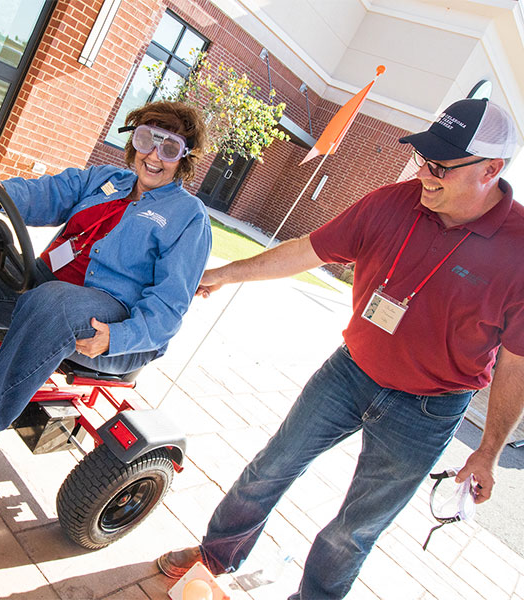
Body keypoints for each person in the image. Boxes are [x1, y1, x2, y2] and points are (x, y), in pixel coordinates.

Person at [157, 98, 524, 598]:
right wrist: (223, 274)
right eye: (422, 158)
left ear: (491, 170)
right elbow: (307, 250)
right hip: (349, 371)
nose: (424, 175)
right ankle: (216, 553)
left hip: (429, 409)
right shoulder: (392, 202)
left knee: (356, 529)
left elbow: (516, 362)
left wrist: (487, 452)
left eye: (439, 166)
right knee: (271, 467)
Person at [0, 100, 212, 480]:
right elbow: (48, 193)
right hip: (44, 289)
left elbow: (167, 309)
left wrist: (117, 337)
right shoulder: (104, 179)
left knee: (53, 302)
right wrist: (1, 191)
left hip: (110, 325)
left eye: (169, 148)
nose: (153, 156)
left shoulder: (189, 218)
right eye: (147, 139)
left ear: (184, 158)